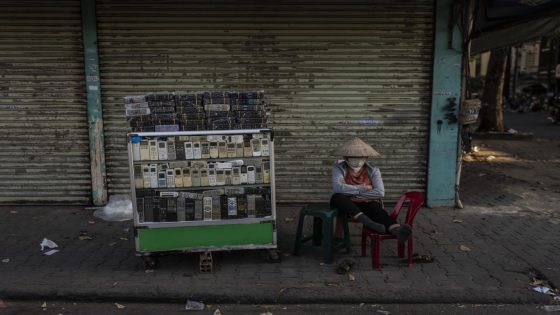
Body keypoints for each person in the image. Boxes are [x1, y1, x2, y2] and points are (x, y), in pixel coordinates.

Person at [330, 137, 412, 243]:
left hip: (366, 202)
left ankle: (396, 229)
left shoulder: (373, 170)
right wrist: (363, 188)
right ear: (346, 157)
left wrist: (353, 194)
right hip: (346, 205)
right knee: (337, 197)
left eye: (361, 156)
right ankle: (370, 223)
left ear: (366, 157)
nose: (358, 159)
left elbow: (380, 192)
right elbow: (338, 188)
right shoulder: (339, 167)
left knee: (377, 209)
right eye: (354, 156)